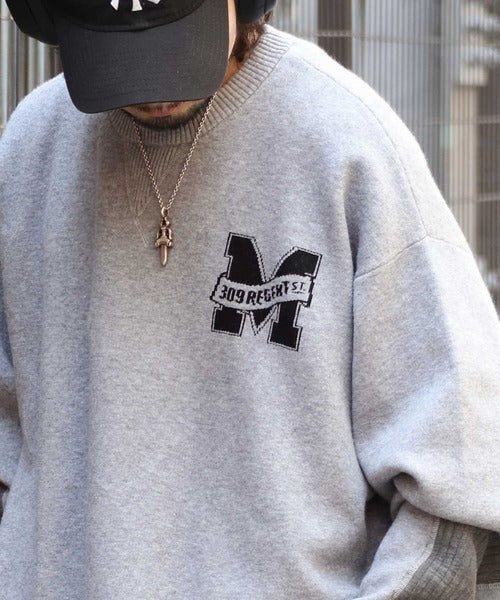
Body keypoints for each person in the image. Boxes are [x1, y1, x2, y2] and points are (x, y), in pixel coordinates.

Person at [0, 0, 499, 598]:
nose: (155, 89)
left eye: (174, 42)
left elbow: (459, 464)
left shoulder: (345, 140)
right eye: (121, 53)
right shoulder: (29, 148)